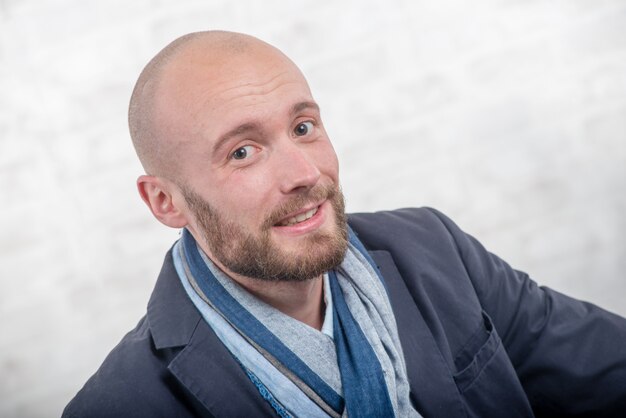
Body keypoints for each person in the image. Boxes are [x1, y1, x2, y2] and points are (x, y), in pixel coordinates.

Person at [63, 30, 626, 418]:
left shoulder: (431, 248)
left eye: (304, 127)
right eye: (243, 152)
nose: (305, 173)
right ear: (165, 202)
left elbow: (603, 364)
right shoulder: (124, 403)